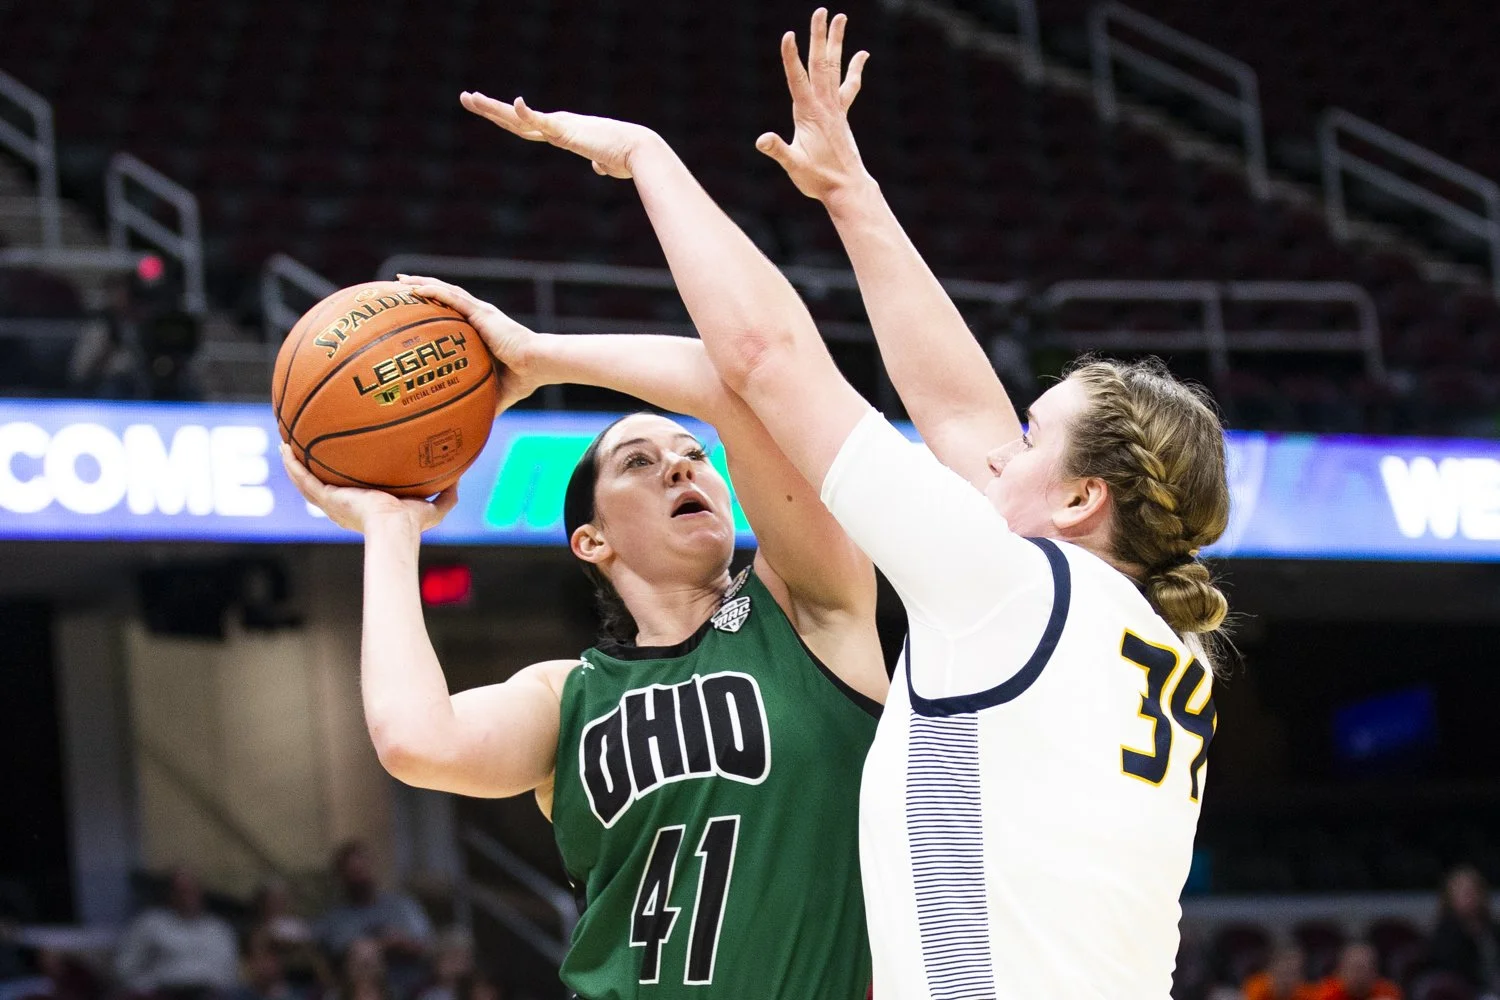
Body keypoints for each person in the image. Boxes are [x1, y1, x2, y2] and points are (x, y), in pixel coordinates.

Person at [455, 6, 1233, 997]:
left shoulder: (1005, 587)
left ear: (1083, 497)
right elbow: (958, 412)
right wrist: (850, 195)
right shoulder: (1156, 633)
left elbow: (765, 355)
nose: (1000, 456)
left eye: (1032, 441)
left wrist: (647, 157)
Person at [282, 122, 887, 998]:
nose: (683, 465)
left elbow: (745, 383)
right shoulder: (567, 696)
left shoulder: (811, 609)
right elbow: (416, 740)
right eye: (640, 463)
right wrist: (389, 528)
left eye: (692, 455)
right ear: (590, 541)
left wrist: (538, 355)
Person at [313, 842, 431, 1000]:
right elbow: (335, 950)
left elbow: (428, 946)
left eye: (363, 870)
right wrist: (380, 945)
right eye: (353, 873)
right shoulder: (335, 919)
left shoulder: (403, 907)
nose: (360, 878)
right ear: (342, 877)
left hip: (410, 989)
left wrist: (400, 943)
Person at [114, 867, 239, 1000]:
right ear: (170, 894)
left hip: (208, 993)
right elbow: (124, 968)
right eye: (181, 891)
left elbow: (230, 973)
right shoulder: (150, 925)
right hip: (162, 993)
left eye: (192, 891)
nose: (188, 897)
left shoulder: (219, 930)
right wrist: (147, 989)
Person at [1429, 866, 1500, 998]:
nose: (1470, 897)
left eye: (1474, 891)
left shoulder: (1492, 928)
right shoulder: (1445, 932)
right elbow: (1451, 972)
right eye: (1464, 893)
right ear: (1450, 897)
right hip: (1467, 992)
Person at [1313, 943, 1401, 1000]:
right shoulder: (1325, 993)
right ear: (1340, 970)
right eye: (1355, 969)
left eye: (1366, 969)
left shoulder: (1388, 992)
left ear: (1375, 972)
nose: (1360, 975)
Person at [1244, 945, 1317, 1000]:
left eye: (1294, 973)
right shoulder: (1257, 989)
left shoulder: (1307, 994)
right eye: (1284, 973)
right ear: (1271, 969)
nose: (1287, 980)